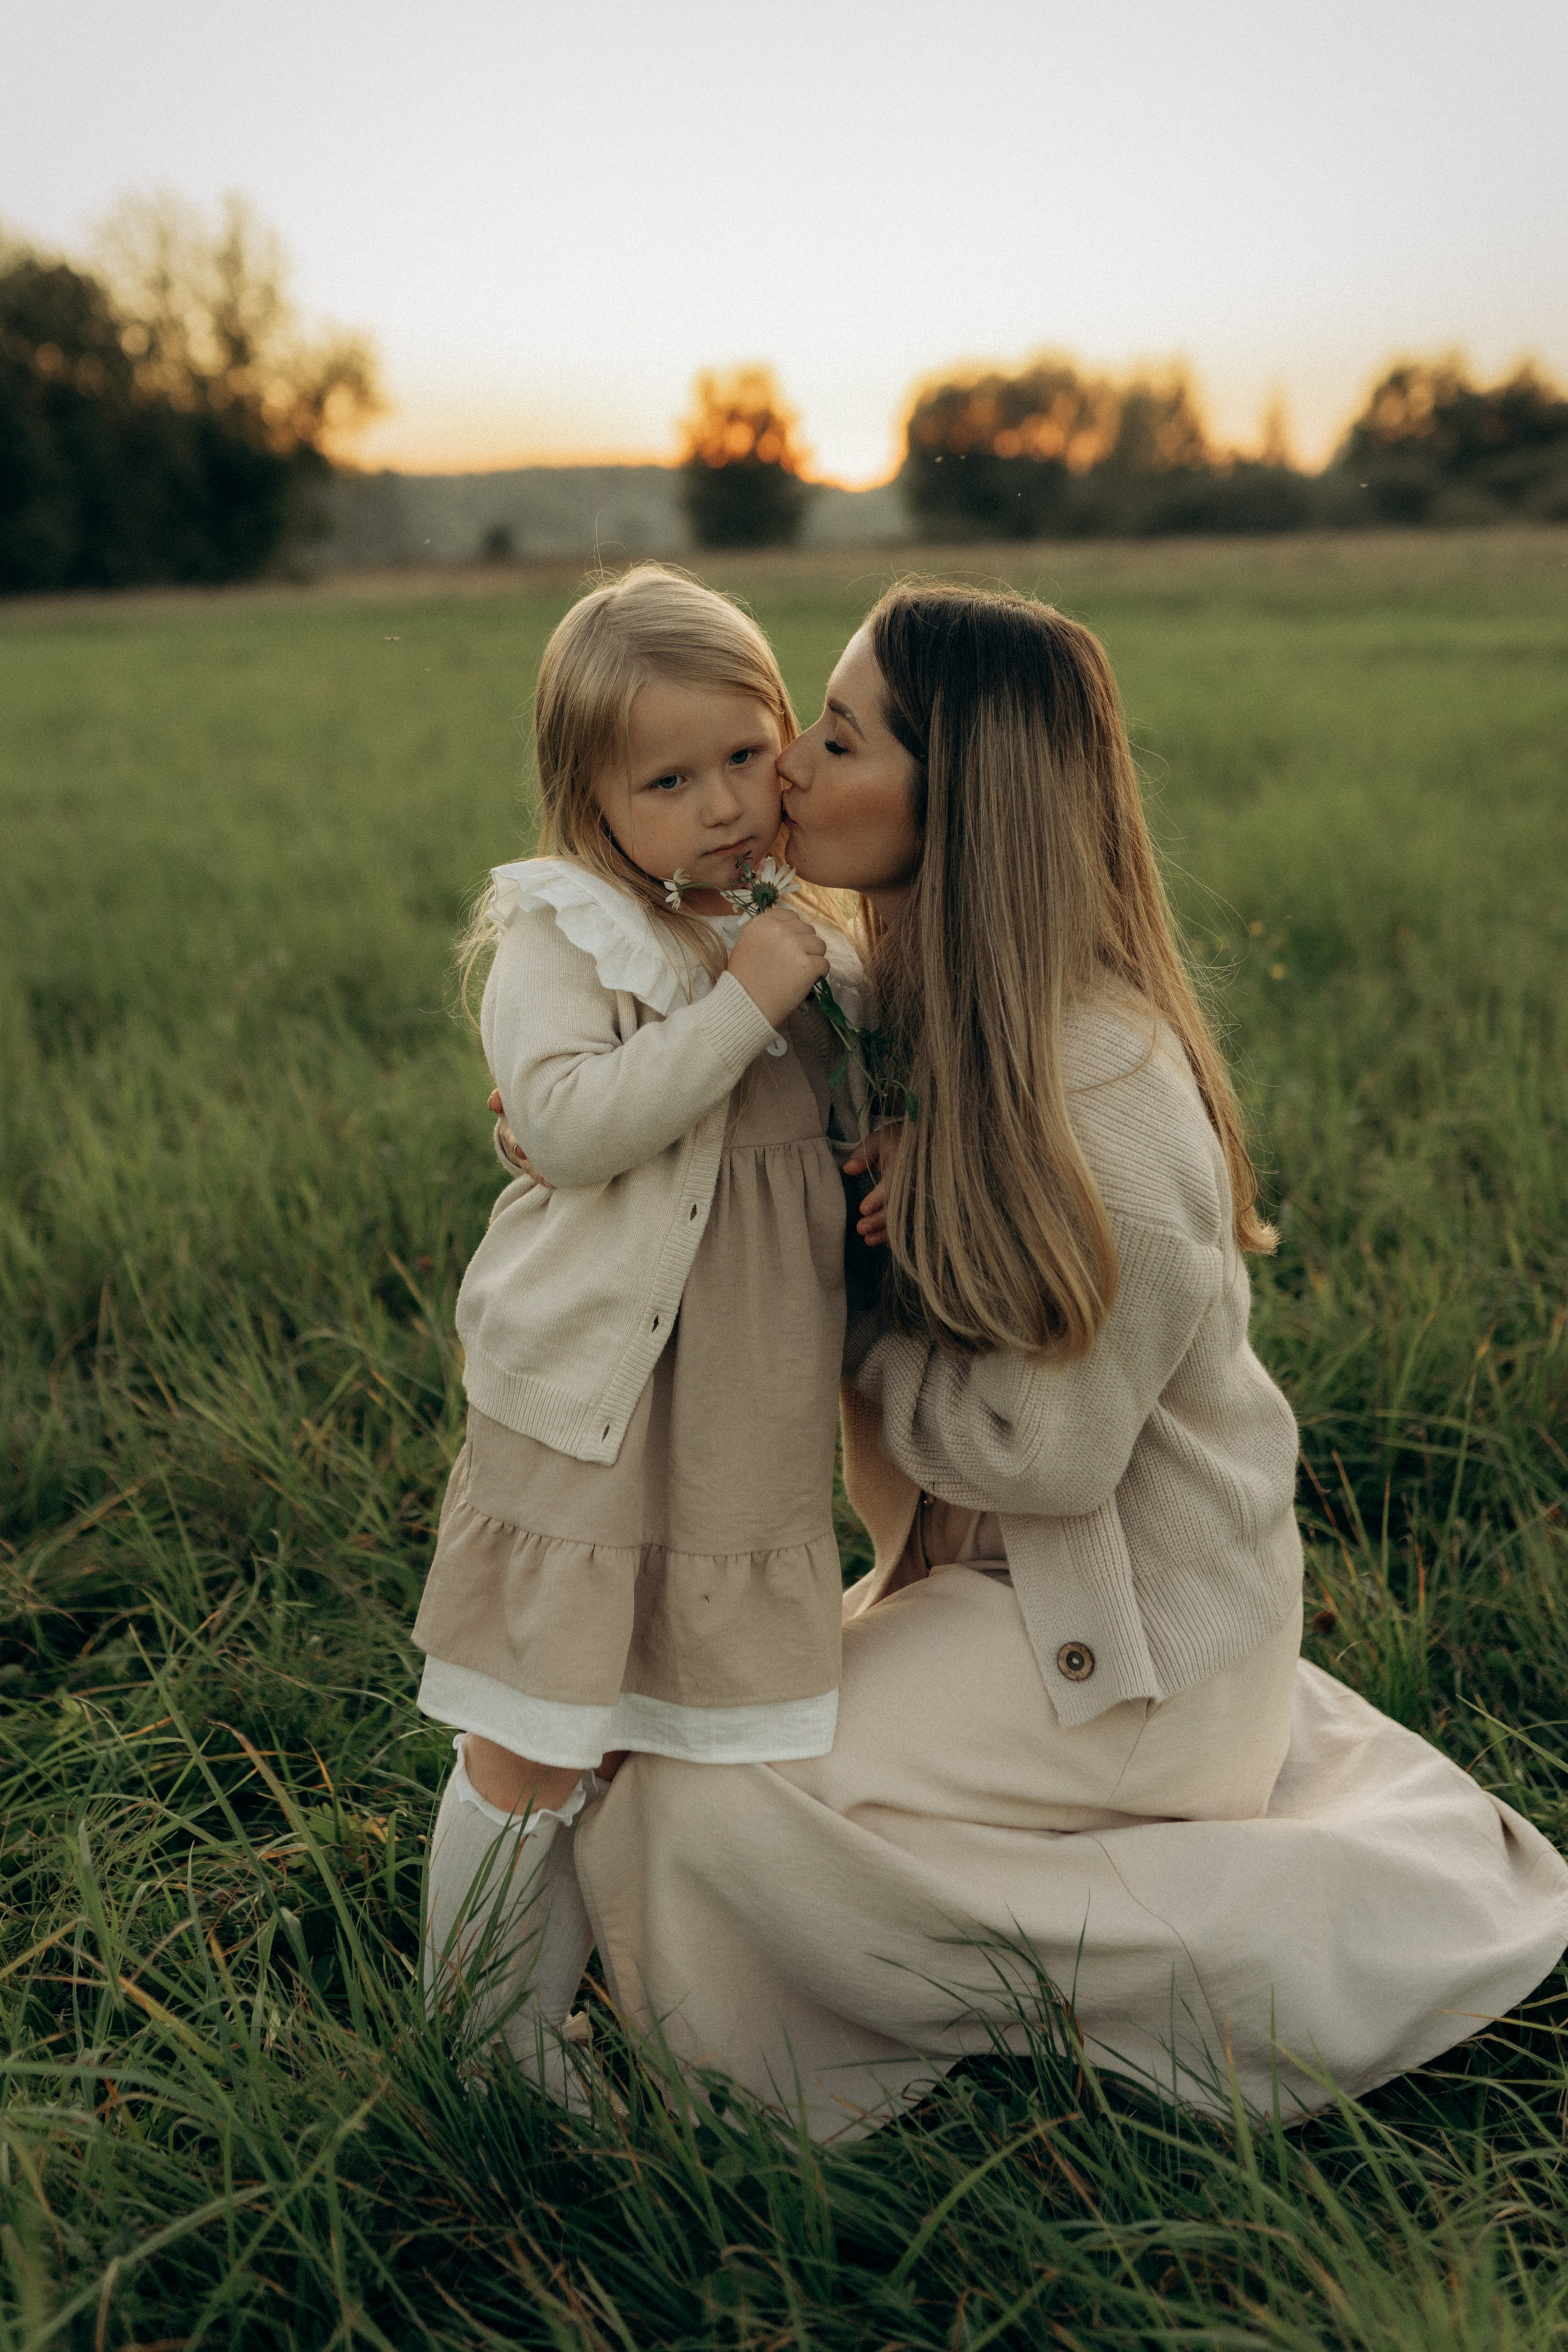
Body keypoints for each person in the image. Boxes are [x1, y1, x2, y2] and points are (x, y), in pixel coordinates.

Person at [571, 582, 1568, 2136]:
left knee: (707, 1799)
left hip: (1122, 1663)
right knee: (647, 1745)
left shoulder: (1104, 1095)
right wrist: (559, 1109)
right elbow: (689, 1047)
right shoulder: (901, 994)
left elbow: (1044, 1457)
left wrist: (856, 1297)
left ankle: (795, 2086)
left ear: (956, 799)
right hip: (991, 1598)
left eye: (831, 740)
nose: (783, 776)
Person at [415, 564, 869, 2092]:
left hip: (734, 1417)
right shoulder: (574, 931)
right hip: (601, 1401)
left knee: (645, 1724)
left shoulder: (785, 922)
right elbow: (562, 1120)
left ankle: (612, 1981)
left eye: (747, 753)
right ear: (589, 799)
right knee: (533, 1724)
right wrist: (737, 1007)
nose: (724, 804)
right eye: (667, 781)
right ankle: (483, 2045)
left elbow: (827, 1099)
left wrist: (875, 1147)